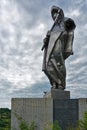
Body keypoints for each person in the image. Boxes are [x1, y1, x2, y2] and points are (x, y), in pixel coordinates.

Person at [42, 5, 76, 90]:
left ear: (59, 14)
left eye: (55, 14)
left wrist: (68, 47)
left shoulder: (64, 23)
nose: (54, 17)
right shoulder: (52, 29)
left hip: (59, 46)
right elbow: (47, 41)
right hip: (50, 49)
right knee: (48, 66)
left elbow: (72, 26)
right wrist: (46, 40)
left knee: (58, 64)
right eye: (52, 16)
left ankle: (60, 84)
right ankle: (54, 82)